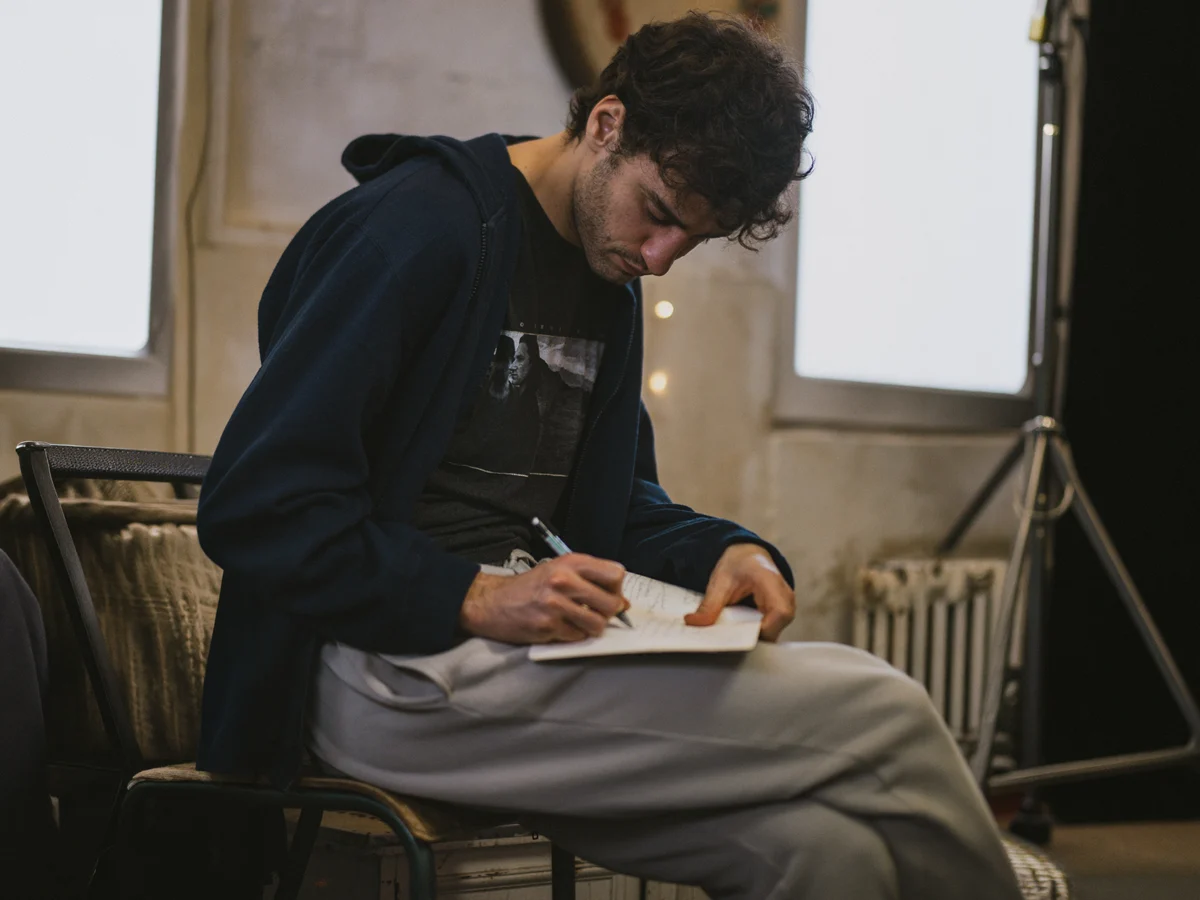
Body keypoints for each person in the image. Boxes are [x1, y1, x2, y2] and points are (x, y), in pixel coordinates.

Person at [196, 13, 1022, 898]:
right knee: (885, 712)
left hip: (527, 661)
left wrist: (723, 550)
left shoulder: (606, 271)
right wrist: (472, 594)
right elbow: (256, 504)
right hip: (374, 669)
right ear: (605, 124)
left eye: (692, 241)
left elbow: (612, 501)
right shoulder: (417, 230)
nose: (661, 260)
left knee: (823, 852)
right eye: (660, 215)